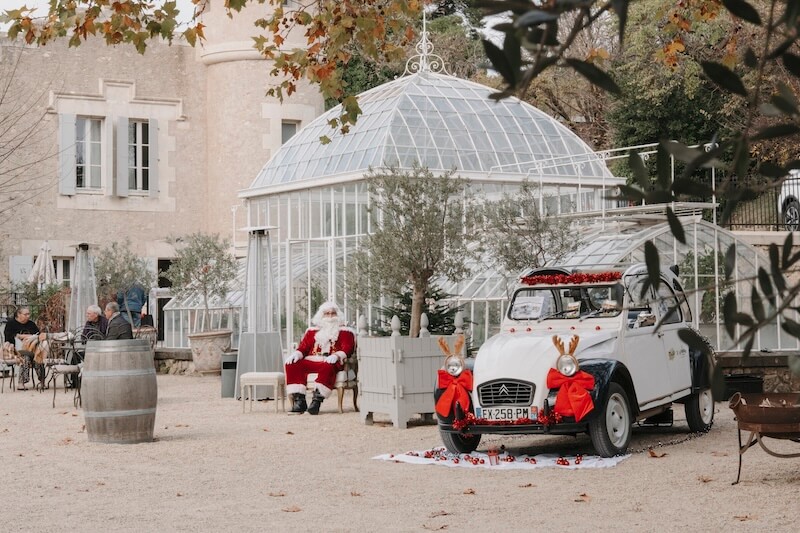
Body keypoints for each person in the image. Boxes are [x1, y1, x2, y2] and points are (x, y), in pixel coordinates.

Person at [284, 302, 355, 415]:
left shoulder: (346, 332)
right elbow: (304, 347)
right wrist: (297, 354)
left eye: (333, 313)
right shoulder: (312, 331)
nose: (330, 317)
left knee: (328, 365)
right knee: (292, 364)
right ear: (321, 316)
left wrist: (336, 355)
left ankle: (316, 401)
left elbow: (348, 348)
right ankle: (299, 401)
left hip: (332, 361)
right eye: (327, 314)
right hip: (312, 360)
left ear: (338, 315)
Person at [2, 306, 45, 390]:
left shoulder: (31, 324)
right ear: (18, 314)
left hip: (32, 349)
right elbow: (8, 338)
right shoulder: (11, 324)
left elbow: (38, 335)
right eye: (26, 314)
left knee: (38, 357)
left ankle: (42, 381)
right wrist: (20, 336)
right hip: (15, 350)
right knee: (25, 358)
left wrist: (25, 336)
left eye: (28, 314)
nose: (28, 316)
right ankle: (21, 383)